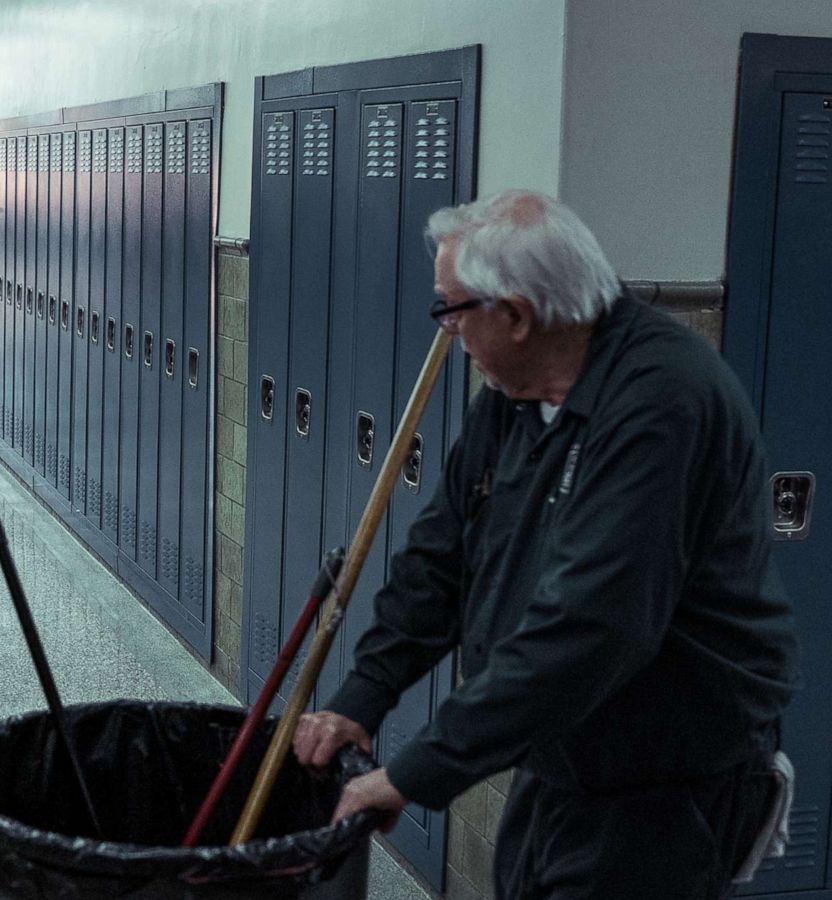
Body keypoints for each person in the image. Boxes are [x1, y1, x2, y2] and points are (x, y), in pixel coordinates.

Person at [292, 190, 799, 898]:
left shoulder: (662, 401)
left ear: (518, 315)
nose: (446, 334)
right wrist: (364, 694)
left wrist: (416, 772)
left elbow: (594, 626)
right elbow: (440, 560)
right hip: (565, 764)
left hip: (665, 789)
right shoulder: (514, 395)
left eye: (452, 310)